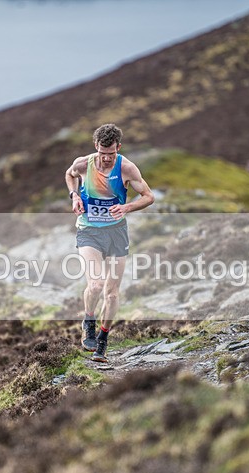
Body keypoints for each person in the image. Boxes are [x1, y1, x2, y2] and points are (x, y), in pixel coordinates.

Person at [64, 124, 155, 363]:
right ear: (96, 147)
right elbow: (69, 175)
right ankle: (89, 321)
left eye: (111, 154)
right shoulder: (83, 164)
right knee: (95, 285)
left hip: (116, 233)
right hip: (89, 231)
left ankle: (103, 341)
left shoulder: (126, 168)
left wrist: (126, 207)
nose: (106, 159)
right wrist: (74, 196)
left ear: (119, 148)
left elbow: (149, 197)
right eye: (103, 154)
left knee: (112, 294)